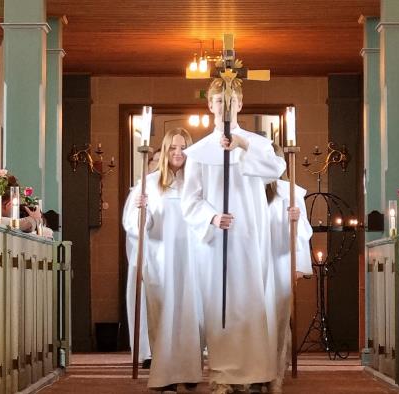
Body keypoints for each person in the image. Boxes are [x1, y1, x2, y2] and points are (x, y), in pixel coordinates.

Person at [181, 78, 286, 394]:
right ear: (209, 105)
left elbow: (275, 169)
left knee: (253, 302)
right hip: (218, 242)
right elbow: (190, 199)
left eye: (230, 101)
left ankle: (257, 373)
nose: (224, 107)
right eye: (217, 101)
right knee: (221, 306)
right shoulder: (198, 152)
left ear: (240, 104)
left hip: (252, 237)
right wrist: (212, 217)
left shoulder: (257, 144)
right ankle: (223, 376)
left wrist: (242, 145)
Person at [125, 128, 203, 393]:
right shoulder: (149, 183)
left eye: (183, 147)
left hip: (192, 260)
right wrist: (140, 208)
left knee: (191, 316)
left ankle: (190, 369)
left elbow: (206, 219)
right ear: (165, 150)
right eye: (172, 148)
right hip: (160, 258)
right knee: (161, 315)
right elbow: (136, 227)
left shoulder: (198, 182)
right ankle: (165, 375)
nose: (178, 153)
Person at [265, 143, 313, 393]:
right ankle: (256, 371)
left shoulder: (291, 192)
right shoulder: (249, 188)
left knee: (279, 317)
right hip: (255, 262)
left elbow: (304, 232)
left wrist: (295, 219)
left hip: (281, 259)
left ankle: (275, 374)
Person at [122, 187, 152, 369]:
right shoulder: (141, 189)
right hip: (147, 254)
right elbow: (131, 224)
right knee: (145, 304)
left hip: (177, 255)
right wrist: (143, 214)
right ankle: (147, 351)